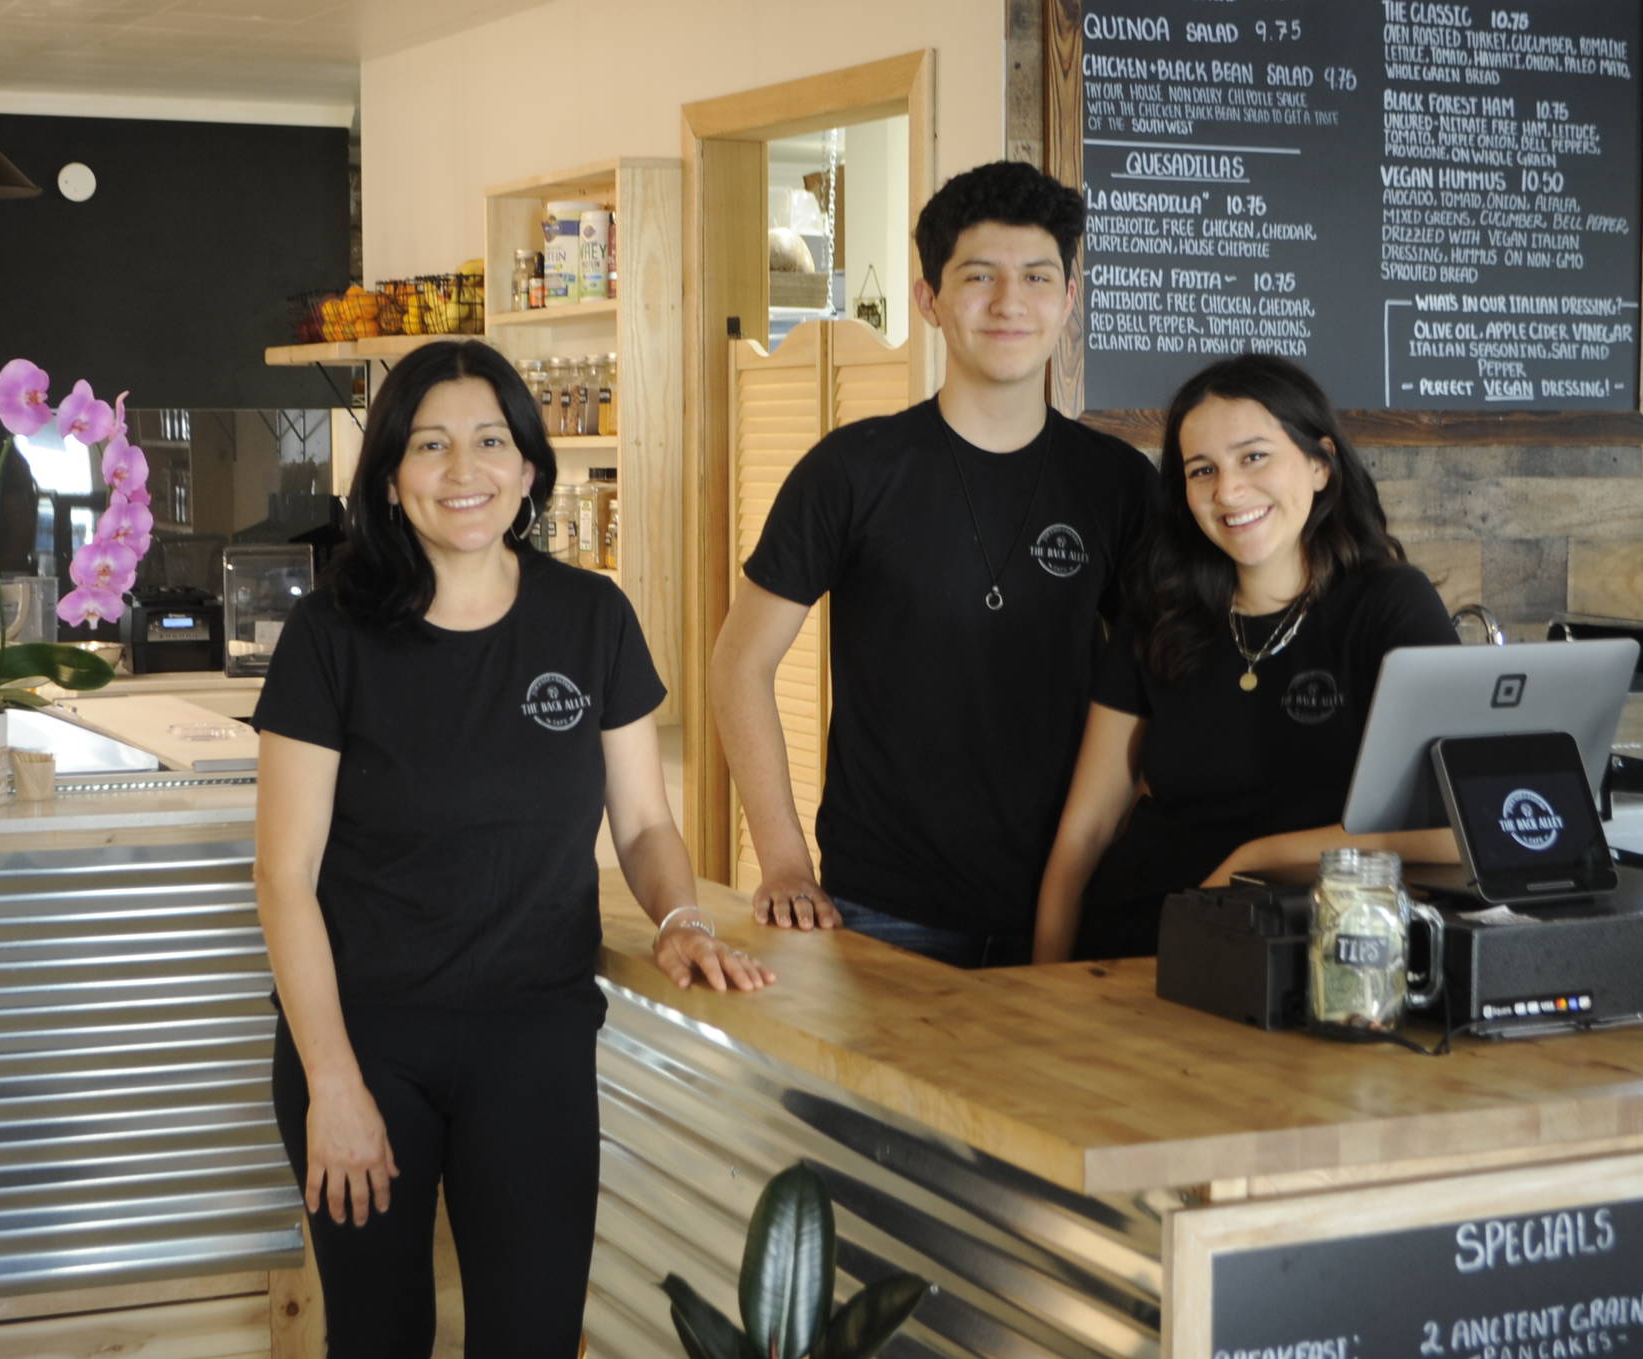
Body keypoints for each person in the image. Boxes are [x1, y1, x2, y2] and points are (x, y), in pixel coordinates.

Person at [251, 339, 770, 1359]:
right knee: (378, 1337)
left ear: (530, 468)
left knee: (531, 1339)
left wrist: (679, 920)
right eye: (430, 445)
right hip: (365, 1043)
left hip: (531, 1038)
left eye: (489, 441)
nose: (462, 471)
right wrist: (334, 1085)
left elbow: (646, 823)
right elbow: (283, 877)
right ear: (391, 476)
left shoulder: (590, 619)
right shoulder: (329, 635)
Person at [712, 160, 1157, 968]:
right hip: (884, 906)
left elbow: (1156, 679)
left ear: (1068, 299)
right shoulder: (853, 470)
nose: (1008, 302)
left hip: (1077, 894)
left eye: (1036, 276)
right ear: (930, 300)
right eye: (977, 276)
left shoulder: (1119, 483)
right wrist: (782, 859)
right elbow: (740, 662)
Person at [1033, 354, 1460, 963]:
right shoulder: (1160, 612)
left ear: (1320, 464)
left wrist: (1257, 858)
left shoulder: (1389, 606)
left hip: (1313, 959)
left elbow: (1461, 830)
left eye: (1253, 456)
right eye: (1201, 470)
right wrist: (1042, 981)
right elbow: (1086, 832)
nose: (1228, 491)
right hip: (1136, 951)